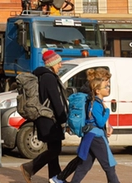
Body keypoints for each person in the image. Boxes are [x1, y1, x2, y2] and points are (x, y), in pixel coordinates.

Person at [20, 50, 68, 183]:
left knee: (53, 150)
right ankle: (29, 167)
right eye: (58, 62)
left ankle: (55, 178)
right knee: (55, 150)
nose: (60, 65)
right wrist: (63, 118)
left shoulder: (42, 75)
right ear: (52, 63)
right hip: (49, 119)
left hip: (44, 118)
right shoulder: (49, 77)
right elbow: (55, 100)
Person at [66, 77, 120, 183]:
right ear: (98, 90)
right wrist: (108, 111)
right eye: (106, 87)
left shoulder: (94, 102)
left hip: (90, 137)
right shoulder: (95, 104)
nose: (108, 88)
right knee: (109, 165)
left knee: (84, 166)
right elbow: (100, 122)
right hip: (97, 137)